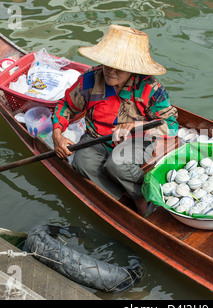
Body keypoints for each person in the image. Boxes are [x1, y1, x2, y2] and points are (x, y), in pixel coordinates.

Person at [52, 25, 178, 215]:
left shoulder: (150, 88)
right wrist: (57, 135)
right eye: (107, 64)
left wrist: (138, 126)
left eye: (119, 68)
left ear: (132, 69)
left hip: (136, 140)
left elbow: (170, 125)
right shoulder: (90, 80)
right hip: (97, 137)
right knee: (81, 162)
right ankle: (119, 201)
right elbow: (67, 107)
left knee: (116, 163)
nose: (110, 71)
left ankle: (141, 197)